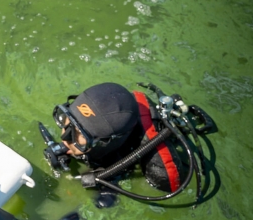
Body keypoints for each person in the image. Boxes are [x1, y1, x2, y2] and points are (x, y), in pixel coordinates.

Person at [38, 82, 217, 205]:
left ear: (107, 143)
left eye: (78, 136)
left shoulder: (152, 167)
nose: (64, 138)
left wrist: (104, 182)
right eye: (65, 120)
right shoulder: (87, 136)